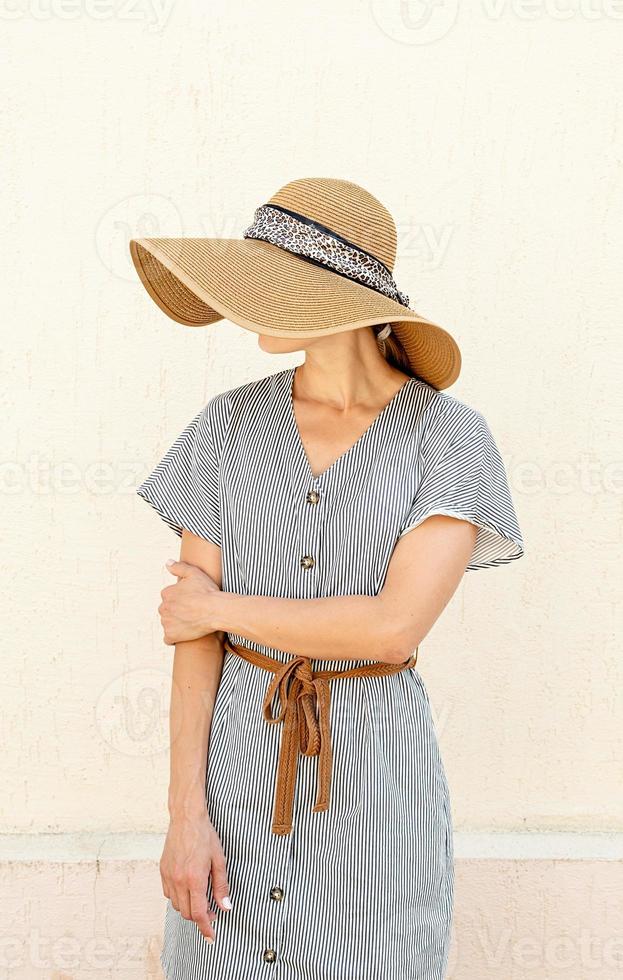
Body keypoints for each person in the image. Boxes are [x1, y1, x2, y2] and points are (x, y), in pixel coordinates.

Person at [129, 177, 524, 979]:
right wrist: (183, 818)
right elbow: (194, 644)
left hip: (376, 781)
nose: (248, 308)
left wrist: (217, 606)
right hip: (234, 772)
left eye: (271, 287)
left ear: (333, 300)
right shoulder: (223, 427)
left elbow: (392, 627)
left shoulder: (449, 440)